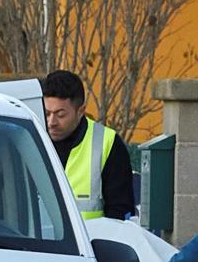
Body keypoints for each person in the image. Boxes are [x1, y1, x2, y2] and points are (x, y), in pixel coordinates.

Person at [41, 70, 135, 221]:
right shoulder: (29, 137)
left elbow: (120, 212)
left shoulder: (107, 143)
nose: (52, 122)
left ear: (81, 111)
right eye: (47, 113)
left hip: (91, 243)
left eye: (60, 115)